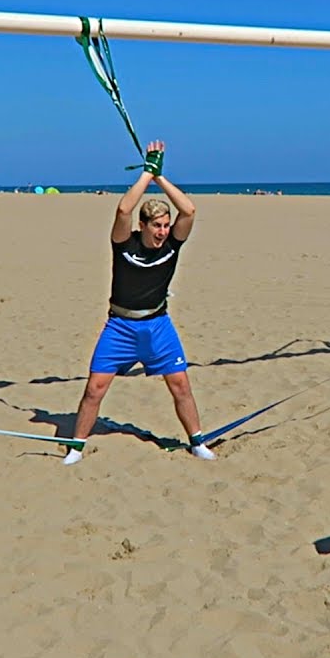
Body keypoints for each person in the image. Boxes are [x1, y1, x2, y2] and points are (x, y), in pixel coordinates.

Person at [62, 139, 217, 465]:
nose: (162, 231)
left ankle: (197, 442)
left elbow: (188, 210)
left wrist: (160, 176)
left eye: (165, 225)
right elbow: (123, 210)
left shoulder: (173, 244)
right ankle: (77, 446)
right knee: (95, 389)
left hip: (158, 326)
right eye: (156, 226)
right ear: (143, 226)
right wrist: (146, 174)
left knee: (180, 386)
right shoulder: (124, 243)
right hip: (120, 327)